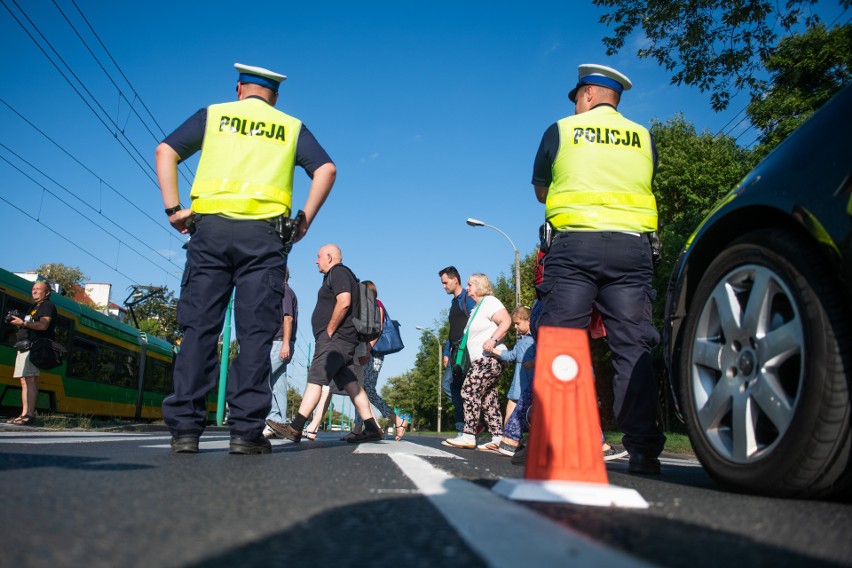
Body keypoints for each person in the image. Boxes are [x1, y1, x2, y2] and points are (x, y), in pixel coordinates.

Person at [156, 62, 336, 455]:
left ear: (239, 89)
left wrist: (173, 209)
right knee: (255, 336)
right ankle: (244, 433)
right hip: (265, 238)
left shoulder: (214, 115)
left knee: (199, 330)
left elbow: (165, 150)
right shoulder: (290, 126)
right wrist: (303, 219)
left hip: (209, 232)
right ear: (275, 97)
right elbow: (325, 168)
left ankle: (185, 431)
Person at [531, 63, 665, 474]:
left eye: (576, 99)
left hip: (575, 248)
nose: (574, 106)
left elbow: (541, 191)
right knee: (632, 347)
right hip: (633, 250)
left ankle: (555, 441)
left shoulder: (561, 131)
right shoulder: (643, 137)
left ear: (586, 94)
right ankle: (643, 449)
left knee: (561, 341)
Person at [266, 244, 384, 443]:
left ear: (329, 257)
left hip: (335, 340)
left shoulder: (338, 272)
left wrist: (329, 331)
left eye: (319, 256)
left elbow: (344, 301)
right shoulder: (346, 275)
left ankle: (295, 427)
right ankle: (372, 427)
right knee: (352, 384)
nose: (316, 260)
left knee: (316, 378)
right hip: (345, 341)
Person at [443, 273, 511, 450]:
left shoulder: (490, 302)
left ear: (480, 286)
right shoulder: (476, 309)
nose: (467, 288)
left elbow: (506, 320)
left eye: (470, 284)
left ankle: (468, 435)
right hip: (481, 360)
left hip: (490, 358)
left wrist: (493, 340)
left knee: (468, 390)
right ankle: (497, 438)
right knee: (489, 398)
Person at [343, 281, 408, 441]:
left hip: (374, 352)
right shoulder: (367, 307)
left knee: (368, 390)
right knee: (361, 390)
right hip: (368, 351)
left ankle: (397, 420)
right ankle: (358, 428)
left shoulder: (377, 305)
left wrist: (367, 350)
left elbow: (377, 331)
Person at [7, 280, 56, 425]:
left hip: (34, 347)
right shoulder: (34, 307)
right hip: (24, 346)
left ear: (47, 293)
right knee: (24, 380)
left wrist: (22, 323)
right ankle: (24, 414)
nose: (34, 291)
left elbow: (43, 325)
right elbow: (30, 324)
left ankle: (29, 415)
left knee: (30, 379)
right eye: (33, 288)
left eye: (38, 289)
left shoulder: (47, 306)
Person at [438, 266, 476, 435]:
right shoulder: (454, 302)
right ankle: (467, 424)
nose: (443, 286)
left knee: (457, 387)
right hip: (454, 351)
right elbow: (453, 329)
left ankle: (465, 428)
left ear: (455, 280)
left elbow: (475, 321)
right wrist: (447, 352)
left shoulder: (466, 299)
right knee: (449, 386)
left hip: (465, 351)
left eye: (445, 282)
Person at [263, 268, 298, 438]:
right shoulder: (288, 291)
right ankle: (280, 424)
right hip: (282, 342)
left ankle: (273, 419)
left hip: (279, 342)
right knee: (279, 385)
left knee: (262, 376)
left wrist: (285, 343)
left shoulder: (284, 291)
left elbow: (288, 318)